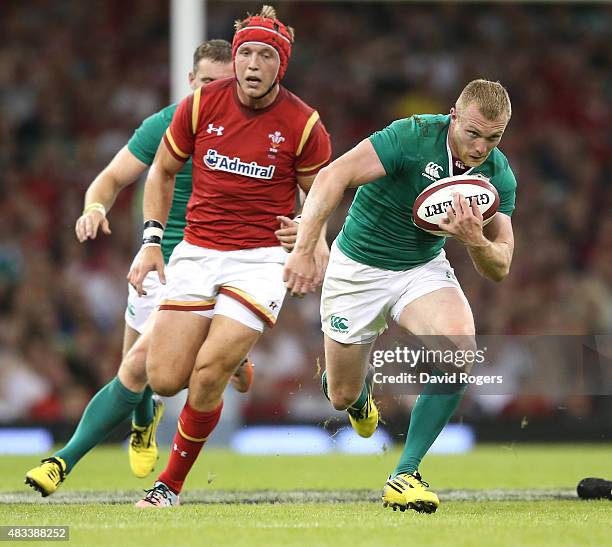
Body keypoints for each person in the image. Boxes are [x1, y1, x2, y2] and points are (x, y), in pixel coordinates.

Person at [24, 40, 269, 497]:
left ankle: (61, 462)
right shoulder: (166, 125)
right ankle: (146, 421)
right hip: (156, 262)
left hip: (212, 265)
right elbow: (112, 178)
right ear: (190, 83)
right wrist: (95, 207)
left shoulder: (251, 131)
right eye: (207, 84)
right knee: (133, 368)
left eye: (226, 85)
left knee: (137, 367)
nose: (215, 93)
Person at [128, 5, 332, 508]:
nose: (253, 64)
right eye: (245, 53)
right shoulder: (200, 106)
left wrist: (309, 235)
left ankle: (168, 486)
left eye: (266, 55)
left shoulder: (304, 125)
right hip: (196, 252)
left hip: (261, 260)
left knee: (204, 376)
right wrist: (153, 241)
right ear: (235, 58)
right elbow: (161, 172)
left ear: (280, 65)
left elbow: (321, 193)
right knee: (165, 378)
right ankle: (237, 362)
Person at [284, 79, 516, 514]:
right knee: (340, 395)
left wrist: (476, 242)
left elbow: (499, 266)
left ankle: (404, 473)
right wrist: (305, 247)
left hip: (420, 269)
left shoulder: (497, 175)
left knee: (460, 350)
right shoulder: (410, 138)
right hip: (357, 269)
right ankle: (358, 393)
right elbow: (335, 175)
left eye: (494, 137)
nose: (482, 146)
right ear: (453, 116)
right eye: (473, 133)